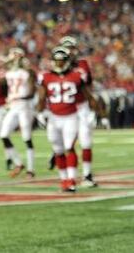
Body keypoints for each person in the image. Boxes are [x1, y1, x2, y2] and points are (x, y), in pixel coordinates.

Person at [36, 47, 100, 192]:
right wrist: (40, 113)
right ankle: (63, 179)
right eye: (56, 60)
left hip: (71, 116)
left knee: (69, 147)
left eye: (61, 61)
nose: (59, 64)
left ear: (67, 61)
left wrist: (93, 112)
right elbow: (41, 96)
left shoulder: (76, 75)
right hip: (53, 117)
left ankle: (71, 179)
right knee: (57, 150)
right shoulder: (45, 76)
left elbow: (88, 96)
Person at [59, 36, 99, 187]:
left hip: (81, 107)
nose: (69, 51)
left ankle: (87, 175)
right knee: (67, 144)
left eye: (71, 48)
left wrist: (93, 108)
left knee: (86, 142)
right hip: (66, 109)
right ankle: (71, 177)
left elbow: (88, 85)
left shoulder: (82, 64)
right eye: (66, 47)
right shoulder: (58, 66)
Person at [0, 47, 37, 178]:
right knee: (4, 134)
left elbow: (32, 91)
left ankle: (31, 169)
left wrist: (20, 97)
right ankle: (18, 163)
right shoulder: (9, 73)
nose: (15, 58)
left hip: (24, 106)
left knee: (26, 137)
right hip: (13, 106)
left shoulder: (28, 72)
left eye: (17, 56)